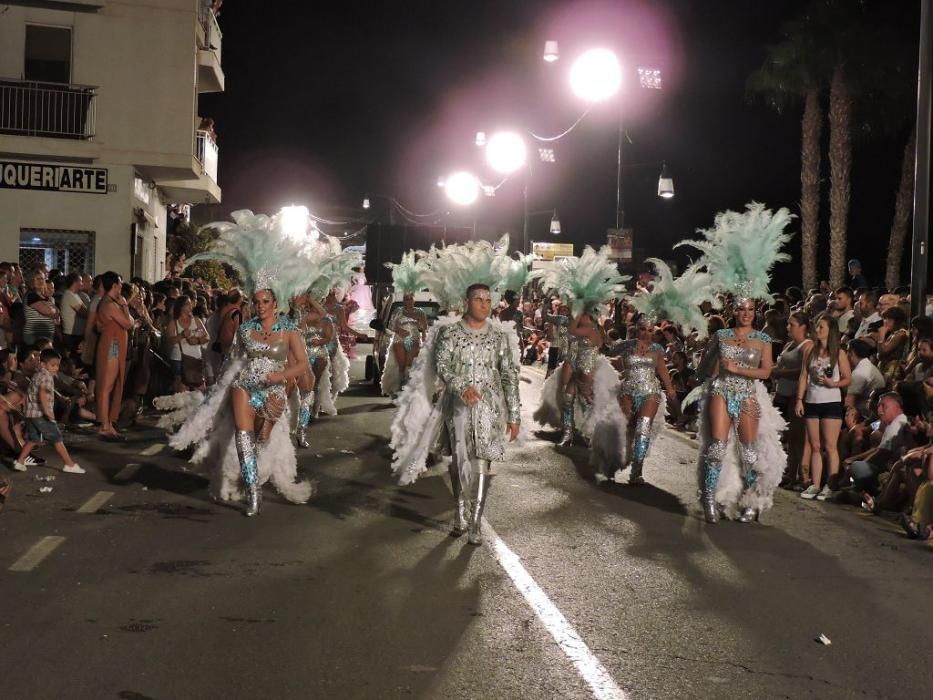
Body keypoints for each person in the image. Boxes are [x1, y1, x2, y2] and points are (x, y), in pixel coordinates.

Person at [679, 203, 793, 524]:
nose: (746, 313)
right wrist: (715, 365)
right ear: (734, 309)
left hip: (747, 393)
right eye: (741, 308)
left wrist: (739, 370)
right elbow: (702, 370)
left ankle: (751, 501)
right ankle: (709, 501)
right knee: (716, 447)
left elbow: (767, 372)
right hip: (719, 391)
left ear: (755, 310)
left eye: (750, 308)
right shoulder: (721, 336)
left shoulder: (763, 340)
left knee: (750, 451)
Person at [610, 315, 677, 485]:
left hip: (651, 392)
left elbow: (662, 369)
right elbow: (607, 350)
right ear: (636, 329)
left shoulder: (657, 349)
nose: (647, 334)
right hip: (628, 390)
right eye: (643, 329)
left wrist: (669, 388)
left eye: (650, 330)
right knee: (623, 428)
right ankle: (612, 461)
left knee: (643, 429)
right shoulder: (626, 346)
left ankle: (636, 471)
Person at [797, 313, 852, 501]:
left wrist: (832, 383)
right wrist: (799, 399)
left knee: (830, 445)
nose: (817, 330)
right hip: (812, 401)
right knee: (815, 445)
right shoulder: (810, 351)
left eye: (822, 327)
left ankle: (830, 485)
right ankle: (815, 483)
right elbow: (803, 376)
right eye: (817, 327)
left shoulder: (839, 353)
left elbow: (847, 378)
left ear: (830, 331)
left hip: (831, 402)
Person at [12, 349, 85, 474]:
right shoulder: (46, 376)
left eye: (57, 365)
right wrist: (47, 411)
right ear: (43, 364)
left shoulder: (38, 374)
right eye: (53, 365)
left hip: (31, 414)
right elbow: (43, 393)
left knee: (33, 439)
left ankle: (20, 461)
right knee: (57, 438)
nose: (56, 368)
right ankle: (69, 464)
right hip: (41, 414)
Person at [773, 311, 812, 489]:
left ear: (803, 327)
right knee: (782, 437)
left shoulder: (807, 346)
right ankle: (785, 471)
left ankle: (796, 475)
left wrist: (781, 373)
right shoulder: (790, 344)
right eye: (788, 324)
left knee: (796, 438)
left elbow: (804, 371)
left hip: (794, 397)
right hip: (781, 393)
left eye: (792, 324)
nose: (788, 327)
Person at [95, 272, 133, 441]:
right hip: (112, 347)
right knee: (107, 386)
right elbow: (128, 323)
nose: (121, 287)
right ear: (114, 286)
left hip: (114, 346)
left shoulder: (111, 303)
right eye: (119, 284)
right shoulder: (110, 305)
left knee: (110, 386)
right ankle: (104, 425)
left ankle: (108, 423)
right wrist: (125, 306)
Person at [295, 294, 332, 447]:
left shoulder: (305, 316)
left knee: (308, 391)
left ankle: (302, 430)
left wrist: (309, 298)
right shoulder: (288, 317)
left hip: (310, 356)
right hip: (291, 358)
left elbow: (323, 314)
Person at [846, 339, 885, 418]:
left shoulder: (859, 372)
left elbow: (849, 404)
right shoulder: (867, 366)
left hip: (867, 416)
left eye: (847, 351)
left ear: (851, 353)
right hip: (873, 413)